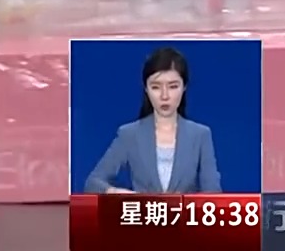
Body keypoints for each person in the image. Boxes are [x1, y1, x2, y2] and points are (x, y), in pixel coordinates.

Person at [84, 47, 222, 193]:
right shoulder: (129, 134)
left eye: (173, 86)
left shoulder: (200, 135)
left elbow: (213, 192)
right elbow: (93, 183)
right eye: (156, 87)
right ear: (146, 89)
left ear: (184, 87)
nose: (164, 96)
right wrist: (114, 192)